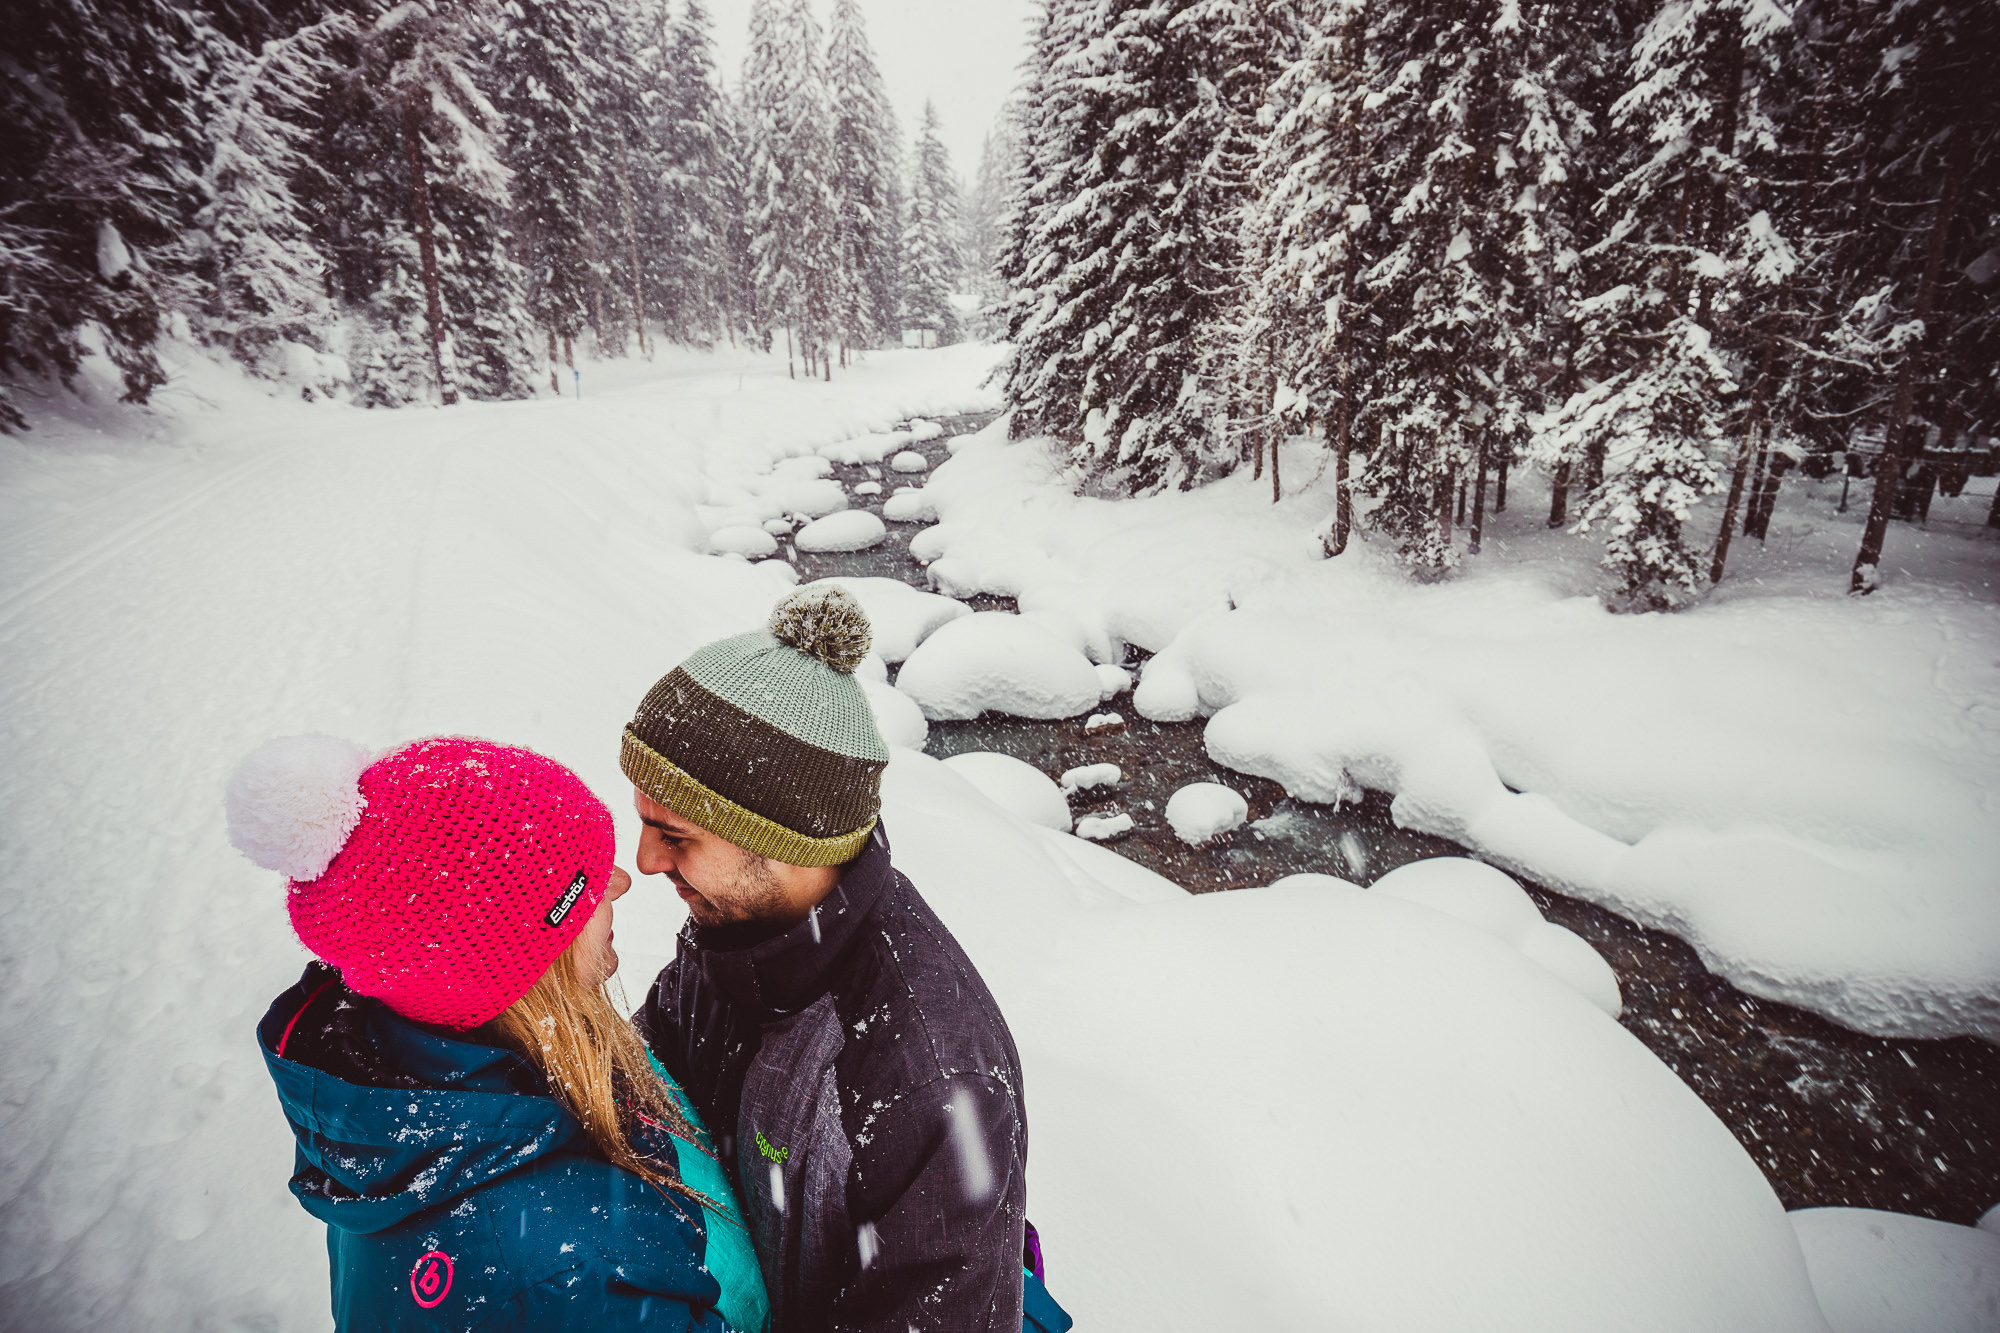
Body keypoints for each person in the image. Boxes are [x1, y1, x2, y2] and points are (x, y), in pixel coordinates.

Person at [617, 585, 1072, 1333]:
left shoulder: (928, 1074)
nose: (643, 858)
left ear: (779, 838)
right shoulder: (737, 932)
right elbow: (648, 1076)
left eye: (675, 834)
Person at [231, 734, 769, 1332]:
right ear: (522, 965)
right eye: (582, 885)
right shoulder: (562, 1280)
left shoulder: (434, 1096)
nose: (619, 882)